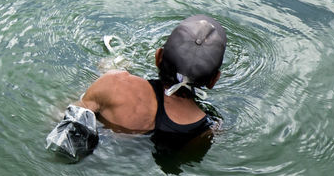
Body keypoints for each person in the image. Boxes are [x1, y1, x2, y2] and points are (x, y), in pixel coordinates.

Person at [46, 15, 226, 160]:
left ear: (158, 57)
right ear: (213, 81)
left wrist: (109, 74)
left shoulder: (116, 84)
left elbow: (59, 119)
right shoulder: (208, 129)